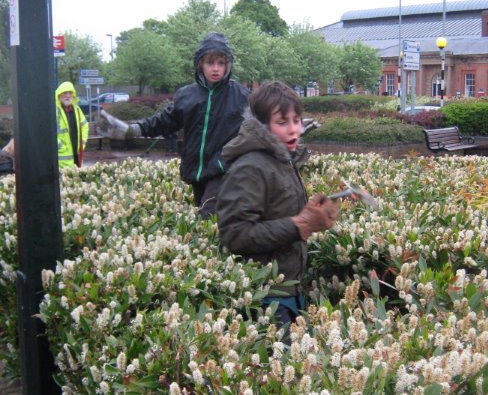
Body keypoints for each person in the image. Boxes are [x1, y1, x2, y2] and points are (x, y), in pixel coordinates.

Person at [216, 80, 339, 328]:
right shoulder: (250, 167)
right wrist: (299, 224)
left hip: (289, 288)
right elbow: (235, 233)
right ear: (262, 126)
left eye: (296, 120)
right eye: (282, 122)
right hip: (264, 294)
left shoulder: (282, 161)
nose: (293, 130)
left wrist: (316, 212)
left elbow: (280, 212)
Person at [99, 32, 250, 217]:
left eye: (221, 63)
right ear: (200, 64)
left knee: (207, 217)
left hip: (223, 171)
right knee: (209, 226)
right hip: (195, 171)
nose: (216, 68)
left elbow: (262, 125)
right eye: (210, 62)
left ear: (228, 65)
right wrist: (132, 130)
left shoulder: (242, 96)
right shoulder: (187, 95)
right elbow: (165, 121)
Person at [55, 81, 89, 168]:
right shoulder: (55, 111)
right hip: (61, 160)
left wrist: (82, 143)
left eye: (70, 93)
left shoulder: (76, 109)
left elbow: (85, 126)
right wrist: (61, 147)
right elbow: (48, 131)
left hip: (76, 156)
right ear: (59, 95)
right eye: (65, 93)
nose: (68, 95)